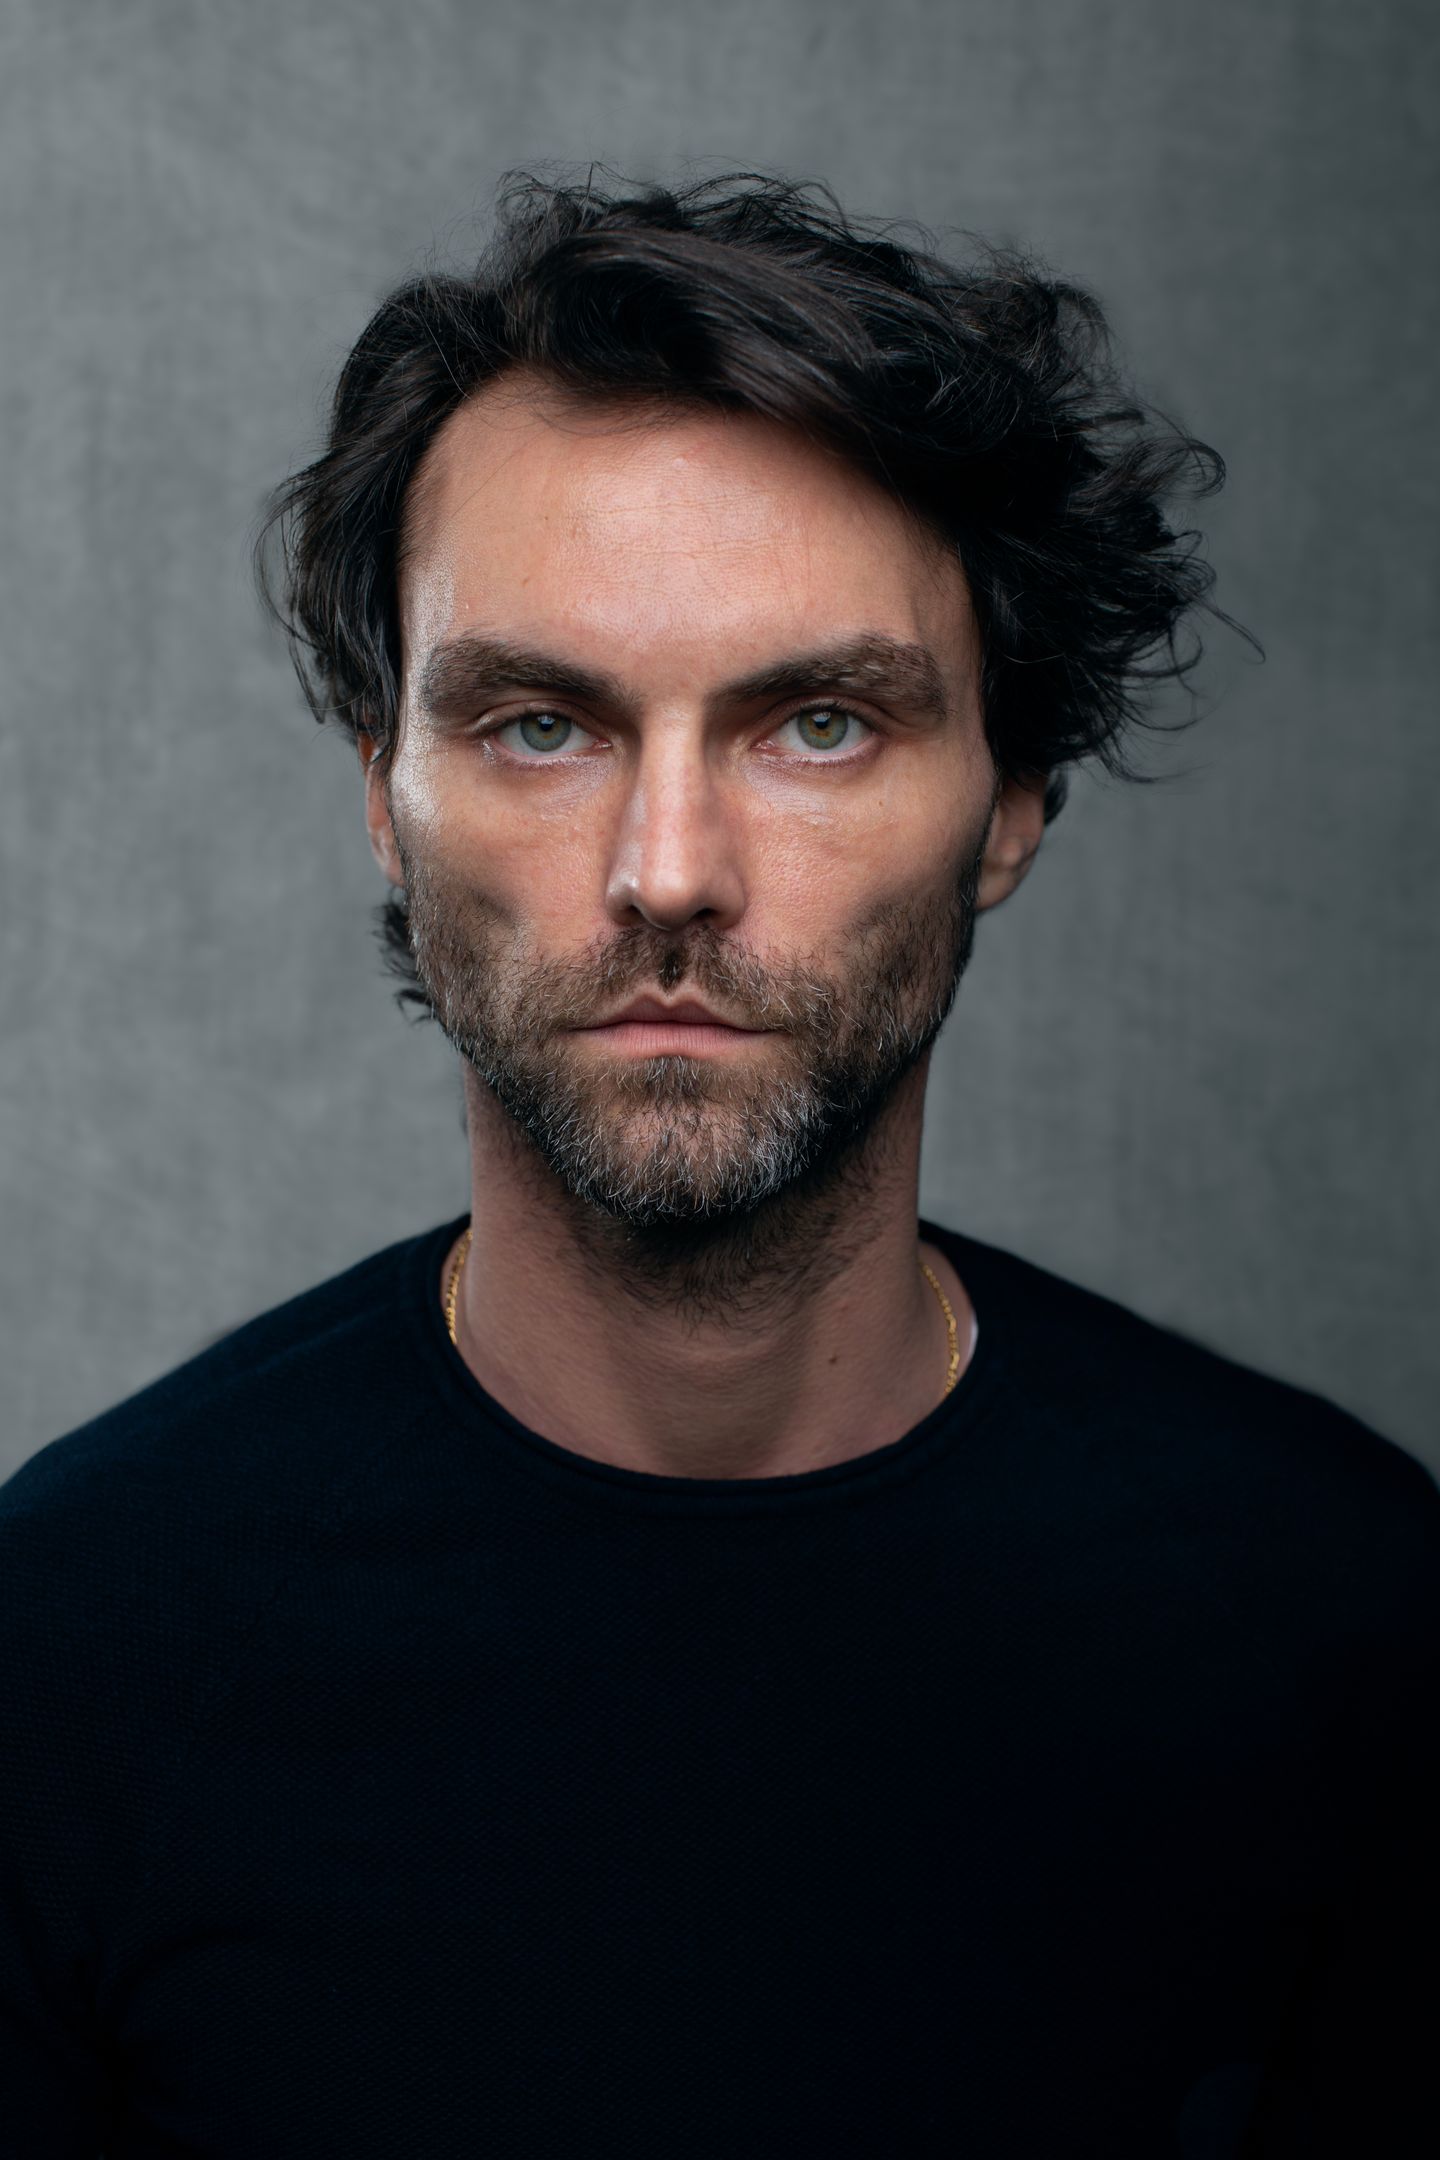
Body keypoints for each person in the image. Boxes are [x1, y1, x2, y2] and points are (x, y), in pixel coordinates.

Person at [2, 171, 1434, 2159]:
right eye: (539, 725)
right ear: (385, 799)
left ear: (1012, 798)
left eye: (818, 724)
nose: (668, 871)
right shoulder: (67, 1655)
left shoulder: (1348, 1626)